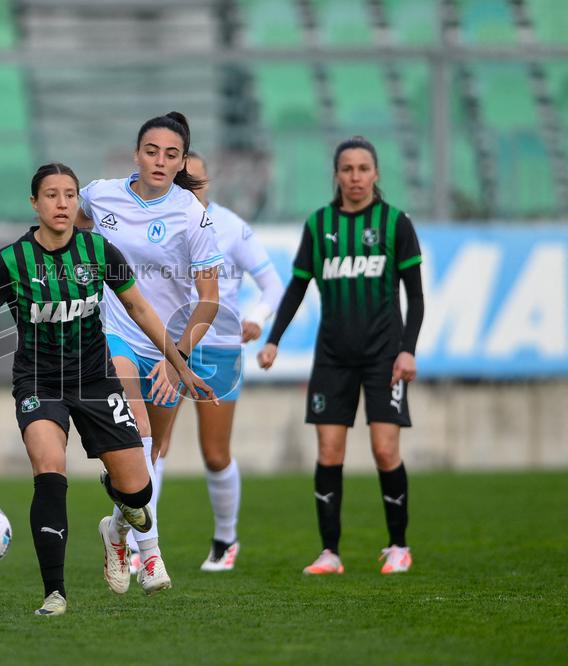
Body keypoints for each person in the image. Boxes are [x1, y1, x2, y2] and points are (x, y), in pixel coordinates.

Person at [0, 163, 217, 616]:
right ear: (35, 203)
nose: (61, 203)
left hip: (95, 378)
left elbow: (141, 311)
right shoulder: (10, 262)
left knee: (138, 492)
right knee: (49, 471)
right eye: (51, 195)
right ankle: (55, 593)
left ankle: (116, 521)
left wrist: (180, 365)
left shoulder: (99, 250)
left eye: (69, 195)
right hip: (39, 382)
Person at [257, 136, 425, 575]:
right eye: (347, 169)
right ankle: (330, 552)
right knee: (329, 452)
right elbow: (297, 287)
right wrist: (273, 338)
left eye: (363, 168)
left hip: (384, 359)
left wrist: (407, 351)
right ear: (336, 175)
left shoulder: (395, 224)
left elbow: (417, 298)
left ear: (376, 174)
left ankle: (398, 546)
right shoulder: (319, 225)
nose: (355, 177)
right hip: (332, 358)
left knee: (385, 450)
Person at [76, 111, 223, 593]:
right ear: (137, 153)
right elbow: (68, 232)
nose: (160, 161)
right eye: (152, 151)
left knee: (152, 454)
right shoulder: (100, 195)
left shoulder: (191, 214)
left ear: (181, 161)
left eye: (171, 154)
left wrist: (175, 358)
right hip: (113, 332)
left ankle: (116, 528)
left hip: (170, 344)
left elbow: (209, 300)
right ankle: (151, 554)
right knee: (136, 433)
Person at [134, 152, 285, 573]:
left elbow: (273, 285)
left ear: (209, 183)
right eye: (183, 183)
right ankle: (143, 547)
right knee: (153, 446)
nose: (189, 190)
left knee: (215, 453)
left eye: (196, 183)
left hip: (218, 349)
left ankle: (225, 539)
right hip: (171, 348)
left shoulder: (231, 227)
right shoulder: (157, 224)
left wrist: (254, 320)